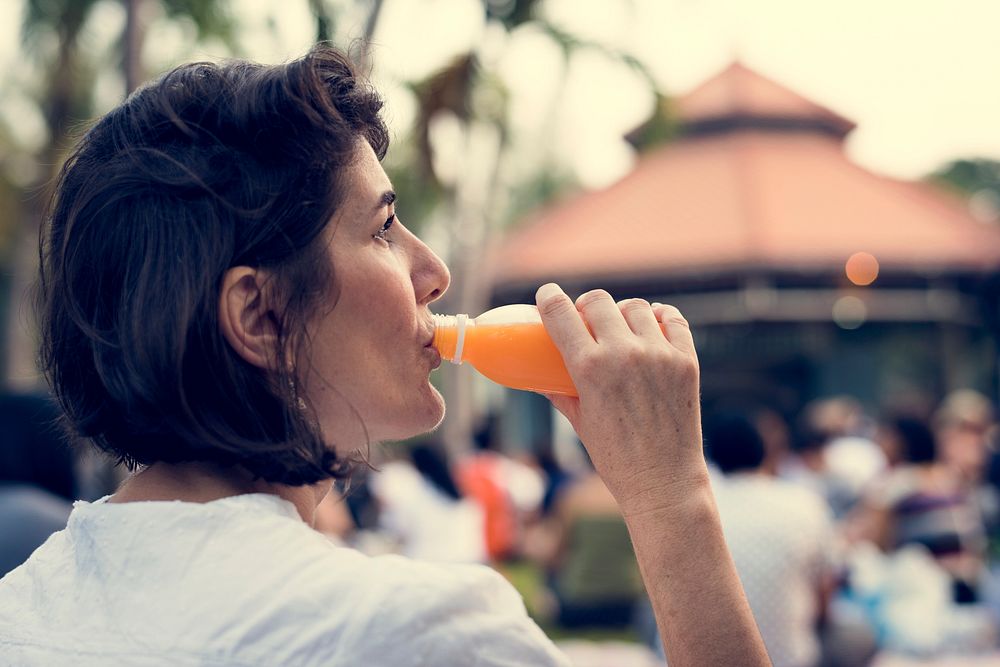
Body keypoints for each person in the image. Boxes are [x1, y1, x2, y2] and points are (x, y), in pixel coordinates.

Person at [0, 44, 768, 666]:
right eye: (382, 229)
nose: (433, 271)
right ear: (260, 314)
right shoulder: (413, 632)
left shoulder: (22, 606)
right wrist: (674, 498)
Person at [704, 411, 837, 667]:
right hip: (788, 659)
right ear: (764, 450)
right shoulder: (804, 503)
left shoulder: (694, 507)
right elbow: (824, 597)